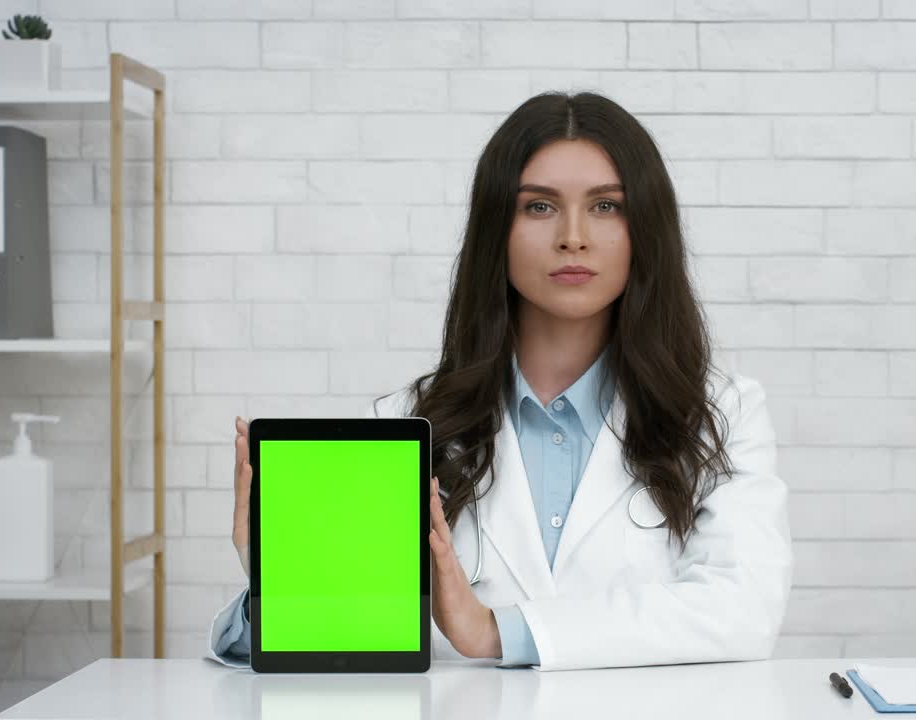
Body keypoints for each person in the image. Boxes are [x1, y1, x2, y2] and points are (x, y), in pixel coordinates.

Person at [206, 91, 792, 671]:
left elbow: (742, 609)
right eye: (539, 206)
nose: (573, 236)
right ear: (497, 231)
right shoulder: (403, 423)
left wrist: (495, 632)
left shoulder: (723, 413)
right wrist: (284, 588)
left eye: (607, 206)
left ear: (648, 230)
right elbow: (348, 641)